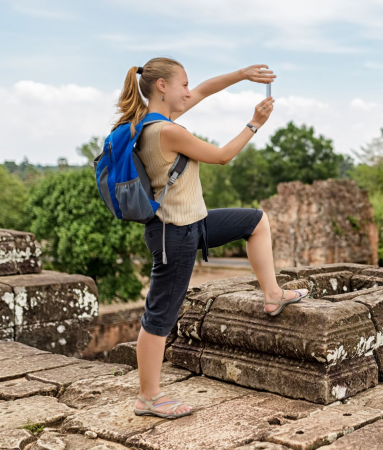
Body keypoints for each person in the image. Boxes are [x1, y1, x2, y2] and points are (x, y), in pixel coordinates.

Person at [111, 57, 309, 419]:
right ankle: (148, 397)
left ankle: (273, 294)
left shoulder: (146, 122)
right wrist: (255, 123)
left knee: (256, 221)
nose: (190, 91)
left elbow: (204, 90)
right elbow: (221, 156)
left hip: (193, 223)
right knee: (159, 317)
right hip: (173, 233)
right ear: (162, 86)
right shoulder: (165, 131)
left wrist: (242, 75)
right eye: (183, 84)